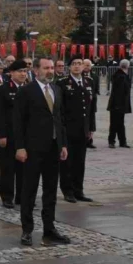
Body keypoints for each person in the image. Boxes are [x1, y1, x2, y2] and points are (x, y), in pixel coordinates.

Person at [13, 58, 70, 247]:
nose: (50, 71)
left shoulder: (56, 90)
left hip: (53, 148)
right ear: (36, 70)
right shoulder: (26, 92)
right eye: (46, 68)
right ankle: (27, 230)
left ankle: (49, 228)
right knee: (29, 191)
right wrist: (20, 147)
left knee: (50, 191)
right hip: (32, 149)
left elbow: (60, 119)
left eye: (52, 67)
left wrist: (63, 144)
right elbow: (18, 122)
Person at [56, 57, 94, 203]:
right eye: (74, 64)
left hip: (82, 129)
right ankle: (67, 190)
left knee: (80, 161)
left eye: (80, 64)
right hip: (68, 128)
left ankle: (79, 190)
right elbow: (60, 109)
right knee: (67, 161)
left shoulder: (89, 82)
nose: (77, 67)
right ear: (69, 67)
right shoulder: (63, 83)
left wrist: (91, 128)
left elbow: (91, 108)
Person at [0, 60, 27, 208]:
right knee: (8, 167)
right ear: (11, 73)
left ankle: (22, 196)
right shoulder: (3, 89)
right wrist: (1, 134)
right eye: (19, 71)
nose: (23, 74)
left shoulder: (29, 88)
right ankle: (7, 196)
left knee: (24, 168)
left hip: (26, 135)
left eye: (25, 71)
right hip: (9, 134)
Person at [107, 59, 132, 148]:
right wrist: (117, 105)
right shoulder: (120, 76)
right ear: (127, 66)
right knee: (114, 123)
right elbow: (118, 92)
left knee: (120, 123)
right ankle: (112, 141)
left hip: (121, 104)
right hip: (116, 104)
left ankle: (122, 141)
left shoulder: (124, 75)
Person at [83, 59, 100, 149]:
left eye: (88, 65)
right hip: (82, 103)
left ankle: (90, 141)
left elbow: (96, 89)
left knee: (91, 122)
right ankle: (83, 140)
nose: (87, 67)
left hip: (92, 102)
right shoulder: (80, 76)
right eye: (85, 65)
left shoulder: (95, 76)